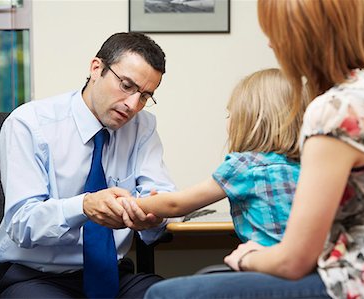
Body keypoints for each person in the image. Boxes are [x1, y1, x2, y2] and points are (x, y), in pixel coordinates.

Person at [144, 0, 364, 298]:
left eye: (275, 33)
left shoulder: (334, 110)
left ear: (299, 37)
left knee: (165, 294)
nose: (272, 44)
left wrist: (246, 256)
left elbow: (293, 261)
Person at [0, 32, 178, 299]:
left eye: (145, 96)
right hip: (39, 277)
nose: (133, 105)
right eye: (127, 86)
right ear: (96, 68)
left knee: (176, 294)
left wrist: (154, 215)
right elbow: (22, 224)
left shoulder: (143, 127)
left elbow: (161, 194)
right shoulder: (29, 124)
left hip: (113, 275)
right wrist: (84, 206)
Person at [121, 68, 308, 247]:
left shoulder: (244, 167)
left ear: (251, 121)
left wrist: (132, 204)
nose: (227, 121)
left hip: (269, 270)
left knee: (172, 282)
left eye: (230, 114)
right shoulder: (305, 168)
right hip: (308, 271)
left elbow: (176, 204)